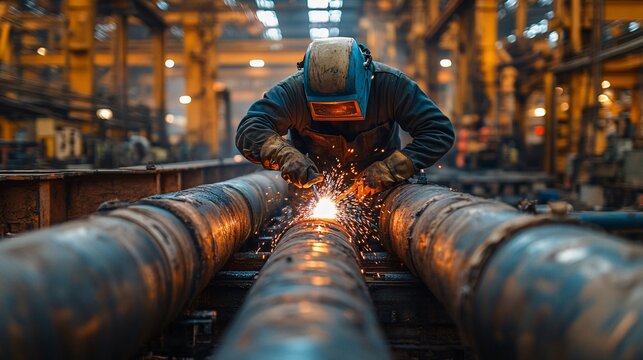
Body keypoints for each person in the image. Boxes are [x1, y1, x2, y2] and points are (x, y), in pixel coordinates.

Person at [236, 37, 455, 200]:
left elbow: (438, 132)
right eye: (326, 109)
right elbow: (250, 129)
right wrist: (283, 154)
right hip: (313, 194)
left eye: (345, 107)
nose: (337, 116)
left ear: (364, 82)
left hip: (381, 194)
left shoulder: (390, 86)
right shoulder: (293, 92)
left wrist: (391, 169)